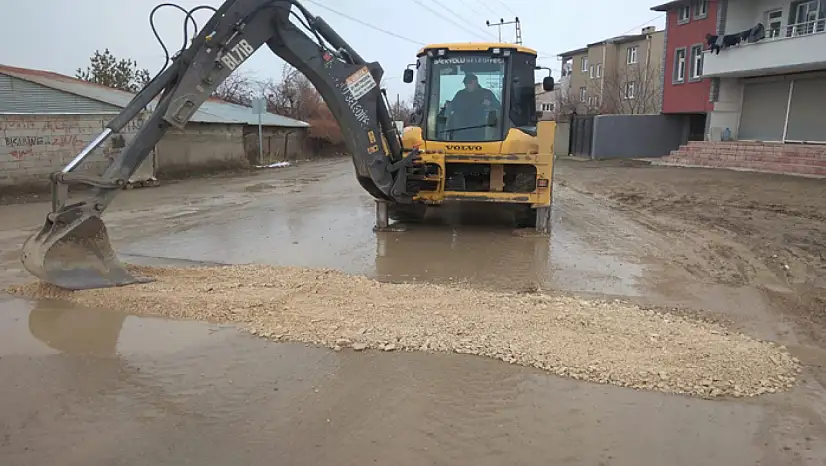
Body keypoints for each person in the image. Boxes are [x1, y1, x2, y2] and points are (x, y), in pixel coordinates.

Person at [447, 73, 500, 139]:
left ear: (475, 83)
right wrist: (448, 105)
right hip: (461, 129)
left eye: (469, 83)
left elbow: (499, 106)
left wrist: (490, 103)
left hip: (481, 128)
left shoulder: (486, 93)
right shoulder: (460, 94)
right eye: (465, 83)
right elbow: (453, 106)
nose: (466, 85)